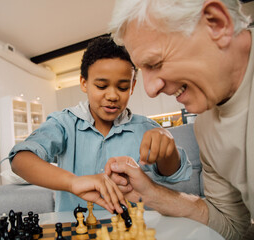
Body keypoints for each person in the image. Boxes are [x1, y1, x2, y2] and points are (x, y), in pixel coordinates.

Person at [105, 0, 254, 239]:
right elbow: (232, 226)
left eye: (155, 63)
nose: (150, 89)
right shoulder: (205, 126)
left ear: (216, 24)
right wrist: (150, 193)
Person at [9, 36, 192, 212]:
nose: (112, 96)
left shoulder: (146, 128)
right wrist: (74, 182)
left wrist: (168, 149)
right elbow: (20, 160)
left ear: (133, 86)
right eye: (102, 86)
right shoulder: (63, 123)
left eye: (122, 87)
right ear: (84, 83)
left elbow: (173, 174)